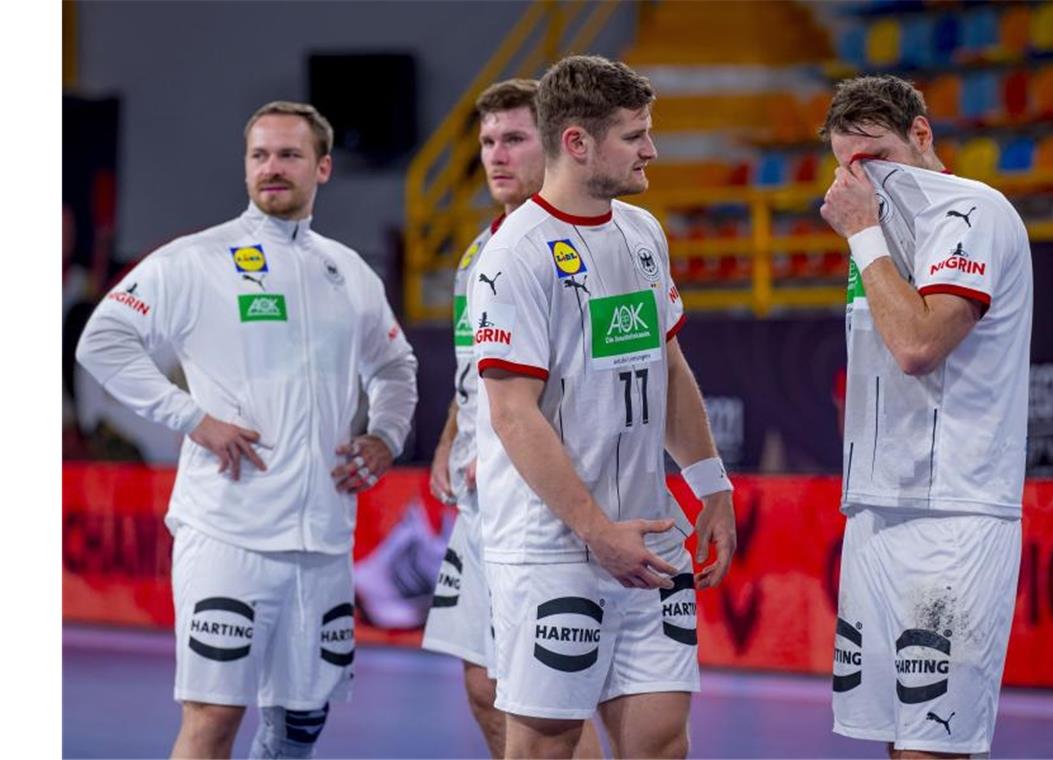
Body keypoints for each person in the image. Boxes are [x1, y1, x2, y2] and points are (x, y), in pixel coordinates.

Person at [75, 101, 418, 759]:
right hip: (227, 532)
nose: (272, 168)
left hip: (322, 539)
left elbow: (396, 364)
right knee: (212, 719)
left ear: (322, 167)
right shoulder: (196, 259)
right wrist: (192, 419)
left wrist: (386, 435)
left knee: (299, 727)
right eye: (259, 155)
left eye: (289, 155)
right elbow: (103, 341)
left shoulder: (348, 271)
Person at [468, 55, 737, 759]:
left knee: (660, 743)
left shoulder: (643, 233)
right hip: (554, 548)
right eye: (635, 135)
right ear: (578, 144)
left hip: (647, 539)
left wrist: (710, 484)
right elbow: (511, 414)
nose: (651, 149)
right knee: (546, 744)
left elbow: (667, 367)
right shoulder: (513, 256)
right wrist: (594, 529)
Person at [818, 75, 1032, 758]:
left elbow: (917, 346)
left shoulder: (972, 211)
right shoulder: (882, 227)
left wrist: (863, 234)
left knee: (931, 749)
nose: (862, 179)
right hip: (878, 514)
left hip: (956, 516)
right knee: (891, 740)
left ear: (921, 135)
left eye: (875, 158)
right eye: (846, 165)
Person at [421, 78, 602, 759]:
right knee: (483, 684)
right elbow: (483, 374)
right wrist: (450, 436)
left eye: (515, 139)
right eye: (488, 142)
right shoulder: (478, 252)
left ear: (556, 144)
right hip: (480, 500)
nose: (497, 156)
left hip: (545, 504)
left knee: (547, 699)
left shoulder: (581, 244)